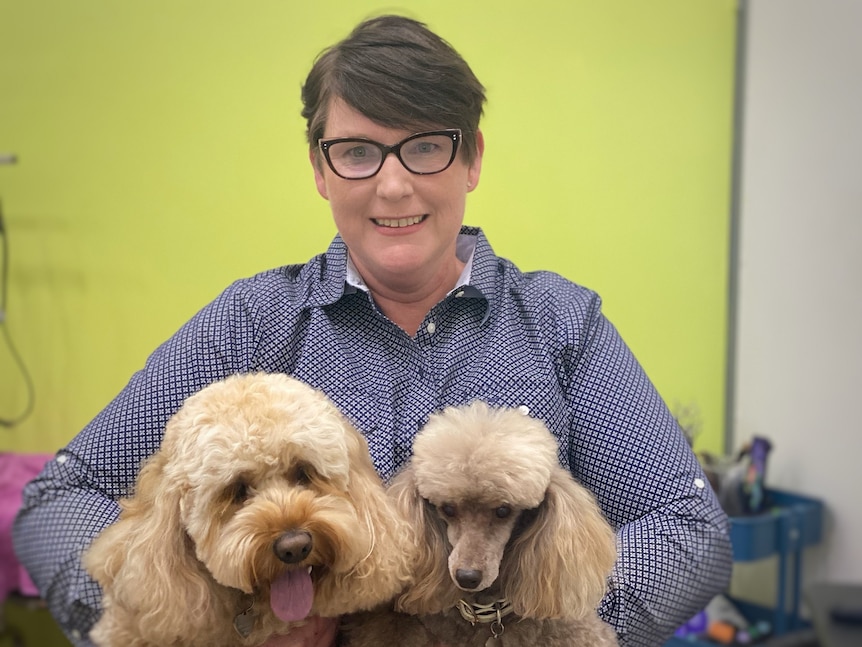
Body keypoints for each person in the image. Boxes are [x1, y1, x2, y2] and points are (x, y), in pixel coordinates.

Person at [13, 14, 732, 647]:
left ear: (472, 157)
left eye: (424, 147)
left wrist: (523, 625)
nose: (392, 185)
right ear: (321, 171)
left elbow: (689, 529)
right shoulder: (248, 324)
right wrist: (180, 629)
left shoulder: (562, 326)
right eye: (357, 152)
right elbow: (60, 498)